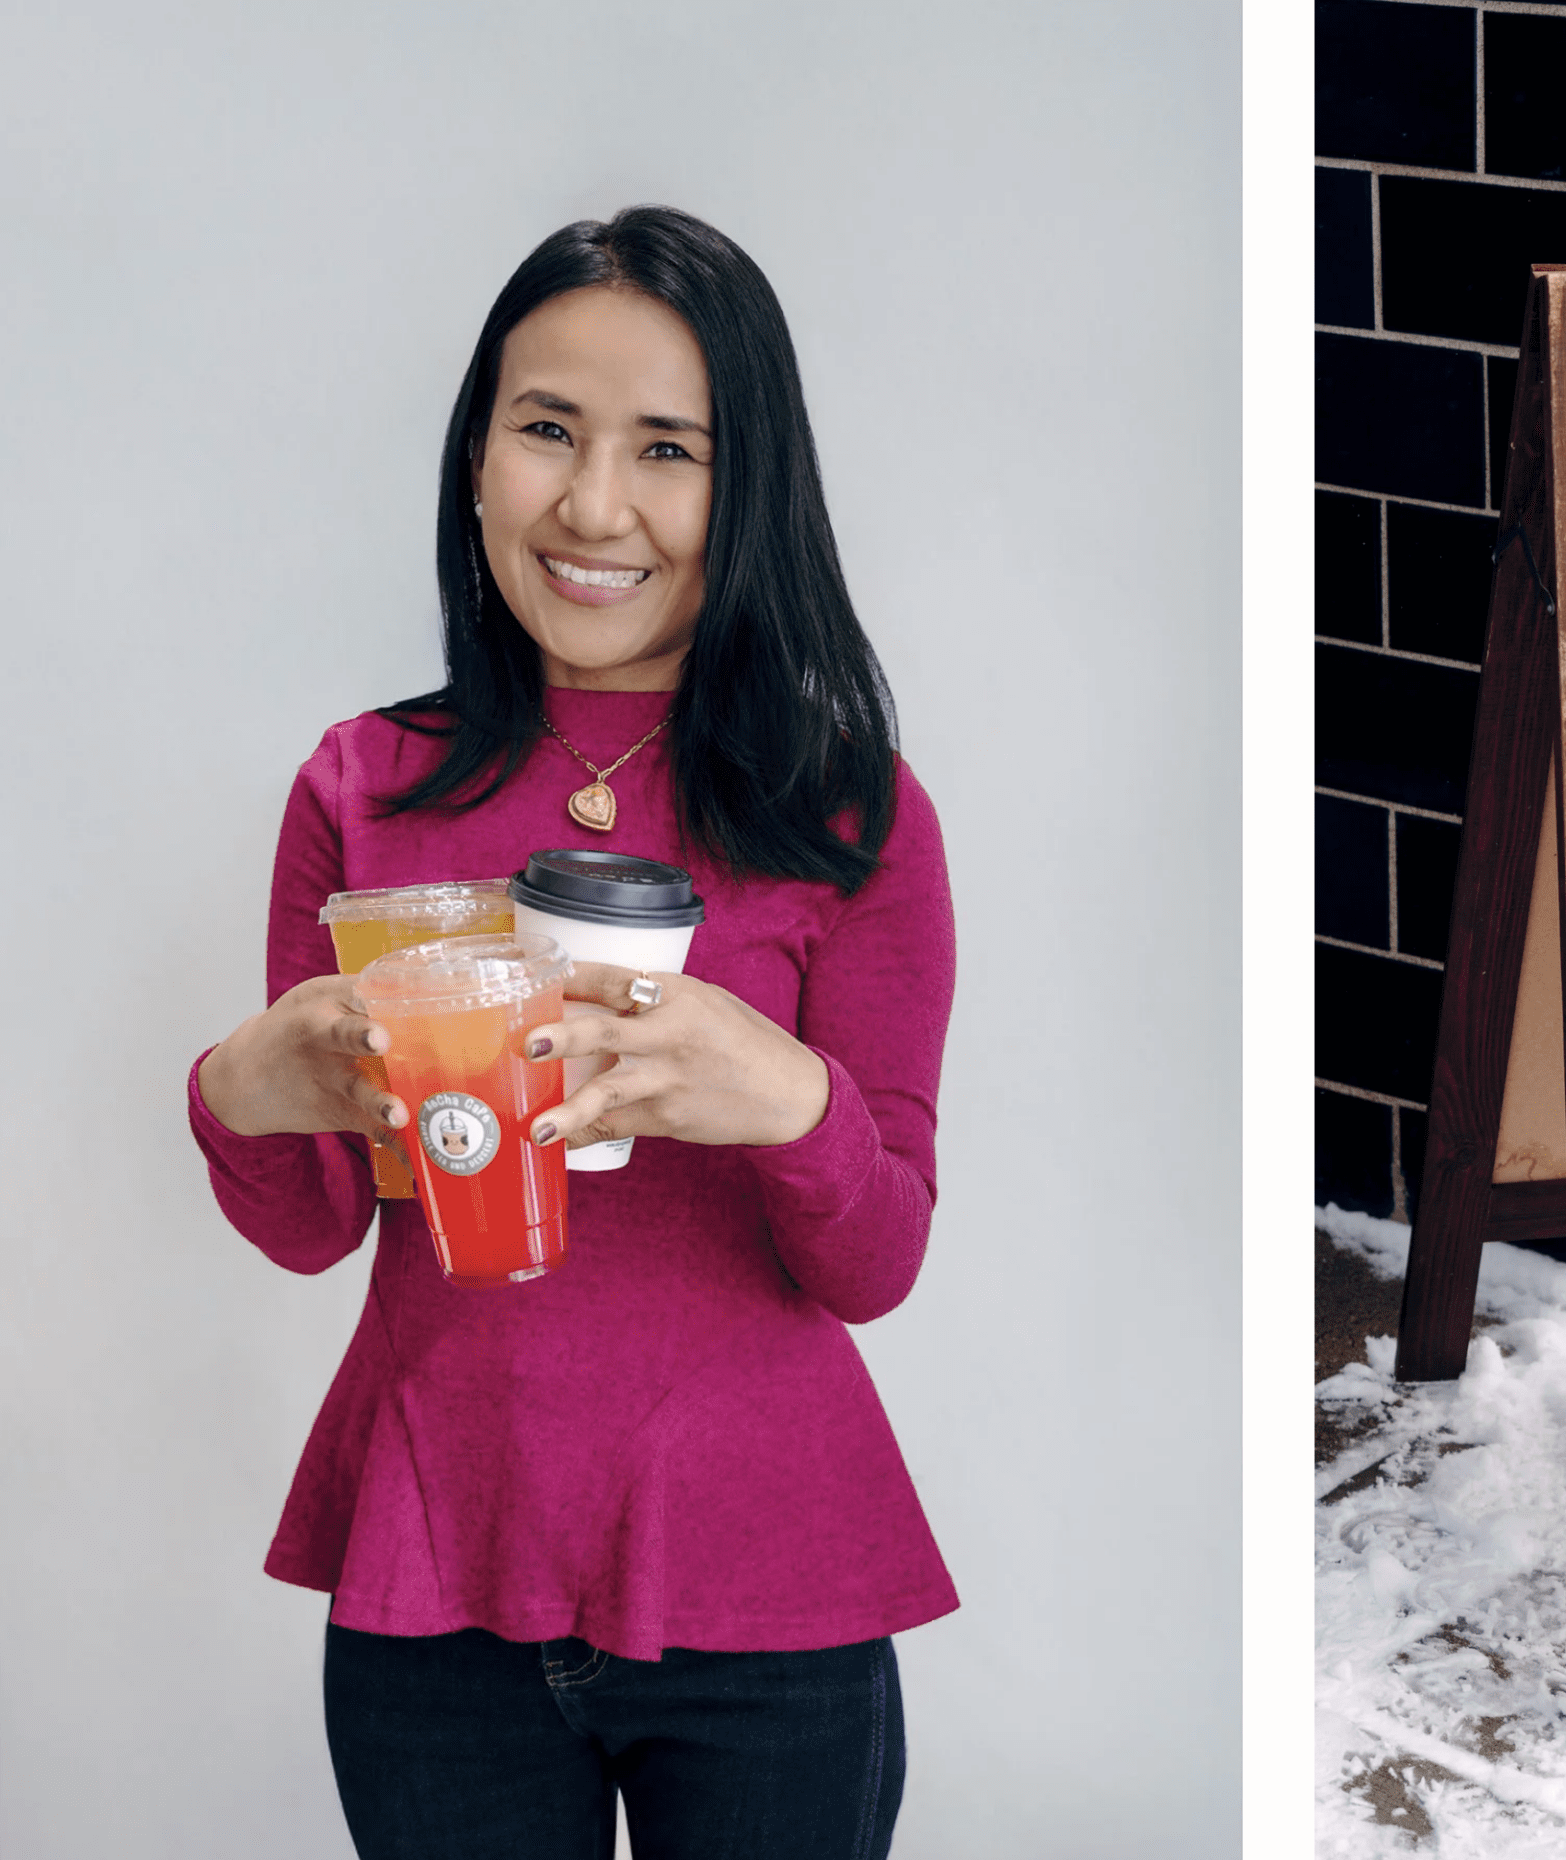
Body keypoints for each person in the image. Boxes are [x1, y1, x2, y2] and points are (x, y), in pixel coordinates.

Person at [188, 206, 951, 1860]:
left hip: (770, 1580)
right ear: (477, 458)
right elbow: (313, 1226)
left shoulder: (850, 810)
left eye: (669, 449)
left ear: (750, 491)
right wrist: (237, 1087)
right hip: (435, 1577)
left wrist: (786, 1095)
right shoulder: (361, 786)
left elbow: (877, 1260)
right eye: (548, 429)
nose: (595, 507)